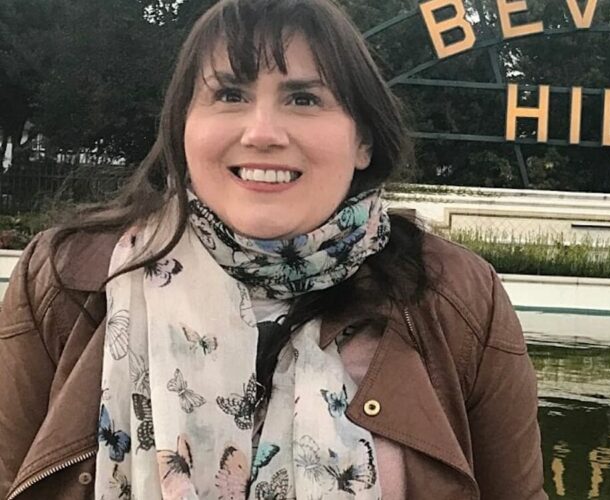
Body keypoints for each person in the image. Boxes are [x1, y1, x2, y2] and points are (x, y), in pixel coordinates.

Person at [0, 0, 546, 498]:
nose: (262, 133)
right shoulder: (65, 280)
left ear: (363, 140)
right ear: (183, 127)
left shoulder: (459, 300)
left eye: (304, 99)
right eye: (229, 95)